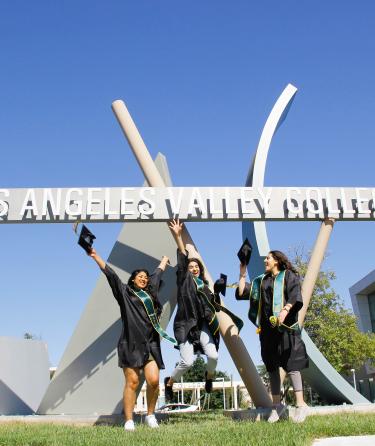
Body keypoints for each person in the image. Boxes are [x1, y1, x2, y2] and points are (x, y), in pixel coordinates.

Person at [88, 248, 174, 431]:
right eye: (140, 276)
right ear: (133, 280)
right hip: (130, 343)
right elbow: (111, 275)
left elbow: (157, 273)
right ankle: (129, 420)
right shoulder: (124, 293)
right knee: (132, 382)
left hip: (151, 344)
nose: (144, 279)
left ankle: (150, 415)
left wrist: (164, 260)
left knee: (153, 380)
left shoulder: (151, 292)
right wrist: (96, 257)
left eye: (145, 277)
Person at [164, 219, 242, 401]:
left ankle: (209, 376)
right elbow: (183, 257)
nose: (194, 269)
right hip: (185, 325)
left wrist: (217, 291)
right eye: (191, 267)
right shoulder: (184, 280)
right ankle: (170, 382)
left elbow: (213, 305)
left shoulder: (205, 286)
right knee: (188, 362)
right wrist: (177, 235)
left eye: (196, 267)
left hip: (204, 325)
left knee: (213, 356)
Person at [236, 250, 309, 423]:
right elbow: (242, 292)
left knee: (291, 364)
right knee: (272, 367)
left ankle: (301, 404)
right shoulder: (262, 280)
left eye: (268, 258)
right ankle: (277, 406)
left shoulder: (288, 275)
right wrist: (242, 273)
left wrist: (285, 309)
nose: (265, 261)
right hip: (267, 330)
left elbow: (295, 295)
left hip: (285, 327)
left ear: (277, 260)